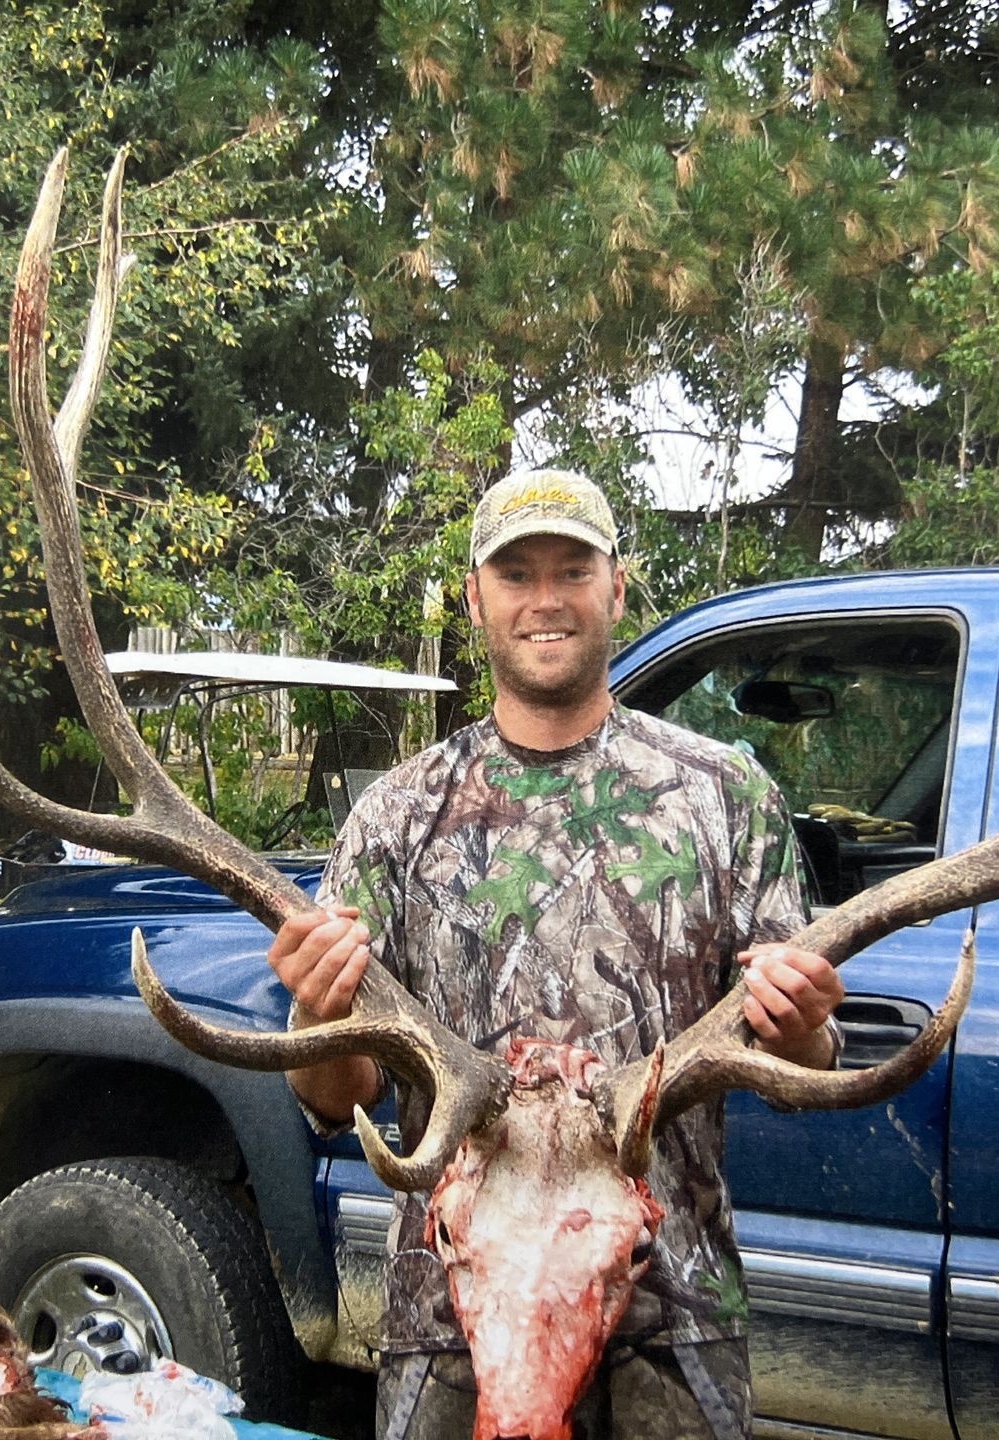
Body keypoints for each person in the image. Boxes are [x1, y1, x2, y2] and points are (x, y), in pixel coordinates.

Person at [266, 468, 844, 1439]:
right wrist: (319, 1018)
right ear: (474, 599)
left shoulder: (724, 796)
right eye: (517, 572)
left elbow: (804, 1067)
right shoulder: (397, 816)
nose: (545, 599)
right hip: (452, 1322)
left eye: (572, 570)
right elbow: (340, 1098)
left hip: (676, 1324)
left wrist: (807, 1028)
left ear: (616, 588)